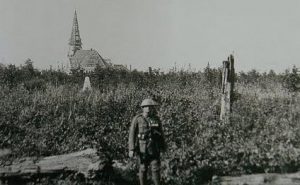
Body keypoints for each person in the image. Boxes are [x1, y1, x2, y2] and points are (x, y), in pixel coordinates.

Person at [128, 98, 166, 185]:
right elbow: (132, 135)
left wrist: (163, 147)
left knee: (156, 169)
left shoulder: (156, 119)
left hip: (154, 148)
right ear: (143, 108)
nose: (148, 108)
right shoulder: (137, 119)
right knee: (143, 168)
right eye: (146, 107)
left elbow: (161, 134)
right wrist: (131, 149)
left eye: (150, 107)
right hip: (142, 149)